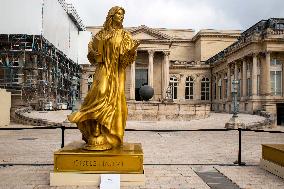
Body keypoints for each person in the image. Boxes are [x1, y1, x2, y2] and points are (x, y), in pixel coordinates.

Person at [68, 6, 139, 150]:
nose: (121, 16)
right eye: (118, 14)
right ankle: (87, 121)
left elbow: (126, 60)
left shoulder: (125, 36)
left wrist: (130, 53)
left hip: (117, 72)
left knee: (117, 103)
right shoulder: (101, 34)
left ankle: (103, 133)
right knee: (100, 92)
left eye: (122, 14)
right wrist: (94, 53)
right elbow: (91, 55)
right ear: (111, 16)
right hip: (103, 69)